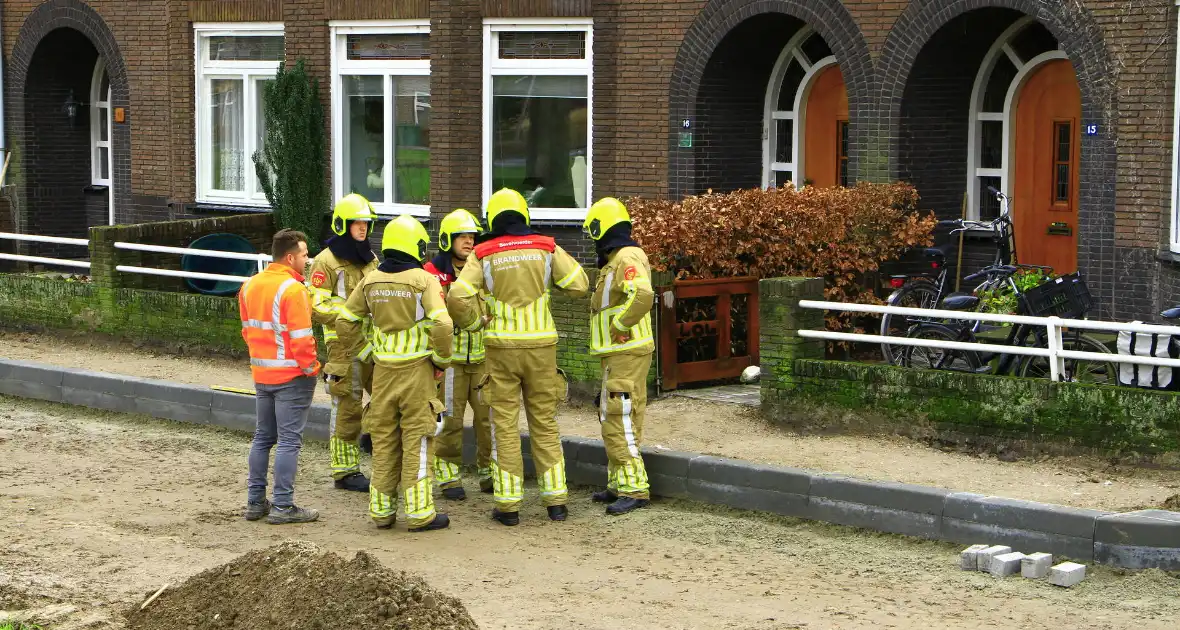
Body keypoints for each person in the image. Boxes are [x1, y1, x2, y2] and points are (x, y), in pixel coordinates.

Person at [447, 188, 589, 526]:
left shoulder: (483, 253)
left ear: (493, 218)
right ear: (524, 215)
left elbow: (457, 297)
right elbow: (580, 284)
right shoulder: (546, 246)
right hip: (541, 347)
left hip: (501, 350)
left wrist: (473, 324)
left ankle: (508, 506)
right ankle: (556, 502)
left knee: (504, 426)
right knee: (544, 422)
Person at [334, 214, 453, 532]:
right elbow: (442, 324)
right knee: (417, 440)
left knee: (384, 440)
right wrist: (441, 360)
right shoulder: (423, 280)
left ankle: (382, 512)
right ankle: (420, 513)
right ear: (415, 245)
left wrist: (365, 353)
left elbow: (344, 322)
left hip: (383, 372)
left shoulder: (370, 280)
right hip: (417, 373)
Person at [240, 229, 321, 524]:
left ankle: (254, 502)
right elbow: (302, 339)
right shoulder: (293, 290)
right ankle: (283, 506)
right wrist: (312, 368)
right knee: (289, 441)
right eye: (303, 255)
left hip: (262, 372)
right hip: (292, 376)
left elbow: (247, 331)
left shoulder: (249, 286)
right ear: (290, 257)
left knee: (263, 437)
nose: (307, 259)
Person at [582, 197, 656, 515]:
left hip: (626, 351)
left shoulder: (626, 257)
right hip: (618, 354)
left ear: (602, 228)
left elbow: (642, 294)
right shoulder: (619, 257)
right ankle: (619, 483)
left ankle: (634, 488)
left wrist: (620, 323)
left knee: (618, 417)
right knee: (616, 415)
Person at [308, 193, 380, 493]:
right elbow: (318, 306)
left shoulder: (370, 258)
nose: (362, 228)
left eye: (365, 223)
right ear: (343, 225)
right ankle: (345, 470)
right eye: (356, 223)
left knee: (387, 396)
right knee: (347, 407)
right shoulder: (325, 261)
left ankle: (370, 436)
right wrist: (352, 315)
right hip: (343, 347)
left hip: (373, 343)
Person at [424, 208, 492, 500]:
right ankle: (449, 477)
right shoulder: (431, 274)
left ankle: (489, 471)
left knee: (487, 417)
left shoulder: (484, 270)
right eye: (462, 236)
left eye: (472, 236)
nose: (468, 241)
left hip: (482, 357)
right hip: (450, 362)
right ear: (446, 239)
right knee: (450, 419)